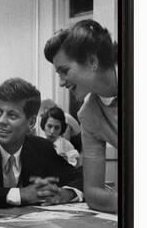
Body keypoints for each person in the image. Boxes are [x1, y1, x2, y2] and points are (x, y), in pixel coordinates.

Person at [0, 78, 83, 208]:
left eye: (12, 116)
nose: (1, 121)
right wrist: (18, 194)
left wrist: (66, 193)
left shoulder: (42, 149)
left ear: (31, 123)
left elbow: (80, 177)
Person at [44, 19, 118, 213]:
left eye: (64, 71)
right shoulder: (88, 114)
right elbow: (93, 194)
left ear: (92, 61)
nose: (61, 83)